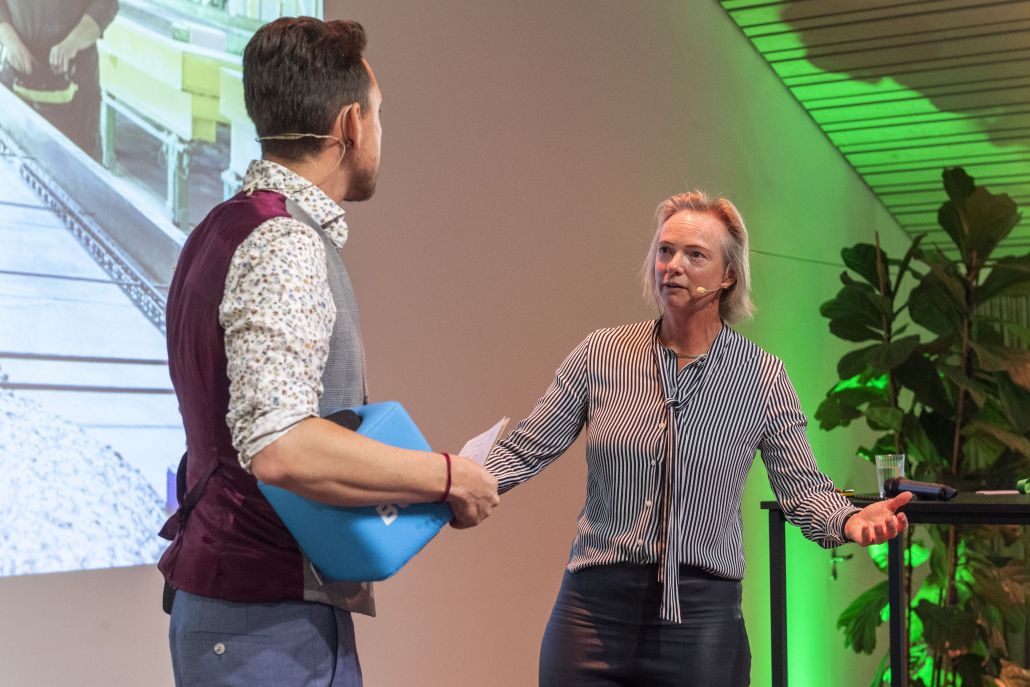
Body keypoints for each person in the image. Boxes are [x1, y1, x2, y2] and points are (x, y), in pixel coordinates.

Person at [157, 18, 499, 687]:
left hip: (256, 614)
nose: (380, 131)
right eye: (379, 114)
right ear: (350, 125)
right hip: (262, 622)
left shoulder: (226, 224)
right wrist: (446, 477)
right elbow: (282, 446)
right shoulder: (282, 241)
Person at [485, 191, 911, 687]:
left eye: (695, 255)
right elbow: (527, 448)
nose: (673, 266)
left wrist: (850, 519)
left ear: (728, 275)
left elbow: (803, 489)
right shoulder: (601, 354)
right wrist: (448, 482)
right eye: (665, 251)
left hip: (700, 618)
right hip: (593, 610)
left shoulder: (761, 376)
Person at [0, 0, 118, 160]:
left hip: (74, 81)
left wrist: (73, 42)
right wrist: (10, 41)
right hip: (18, 72)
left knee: (76, 166)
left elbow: (106, 4)